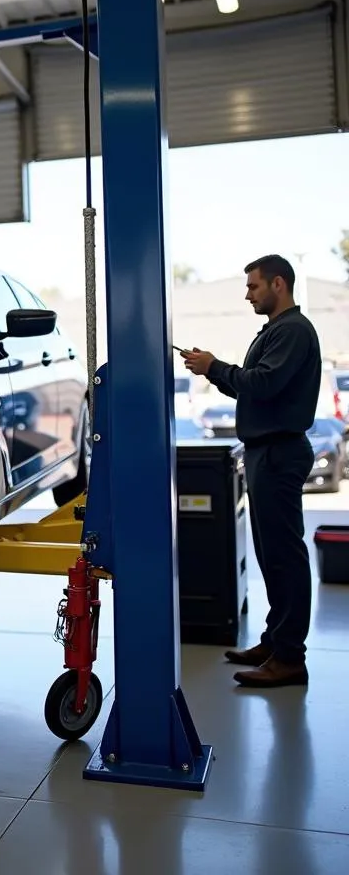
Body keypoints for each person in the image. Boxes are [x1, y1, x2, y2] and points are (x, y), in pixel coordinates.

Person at [181, 254, 321, 688]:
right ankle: (275, 643)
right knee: (271, 557)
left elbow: (263, 383)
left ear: (279, 284)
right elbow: (255, 389)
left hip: (279, 453)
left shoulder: (293, 331)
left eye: (253, 286)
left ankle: (290, 659)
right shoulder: (278, 331)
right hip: (266, 453)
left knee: (284, 558)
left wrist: (216, 368)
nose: (247, 294)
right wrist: (213, 370)